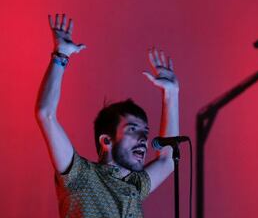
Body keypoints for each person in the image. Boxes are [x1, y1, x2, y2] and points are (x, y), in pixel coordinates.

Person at [35, 14, 180, 218]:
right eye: (132, 129)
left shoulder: (135, 185)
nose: (143, 139)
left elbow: (167, 160)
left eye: (145, 132)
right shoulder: (80, 176)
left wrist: (171, 94)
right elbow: (45, 114)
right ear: (106, 140)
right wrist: (61, 55)